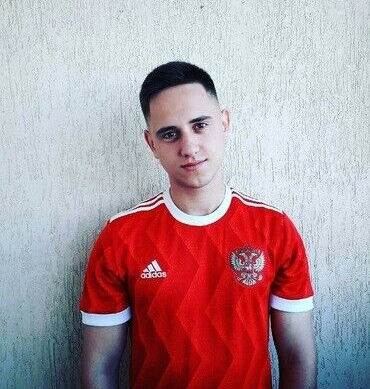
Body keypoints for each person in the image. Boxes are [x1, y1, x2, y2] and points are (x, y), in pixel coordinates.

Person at [80, 61, 317, 389]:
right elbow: (99, 368)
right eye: (169, 134)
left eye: (200, 125)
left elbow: (297, 357)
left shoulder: (275, 229)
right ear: (151, 144)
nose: (189, 147)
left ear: (224, 123)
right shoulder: (120, 237)